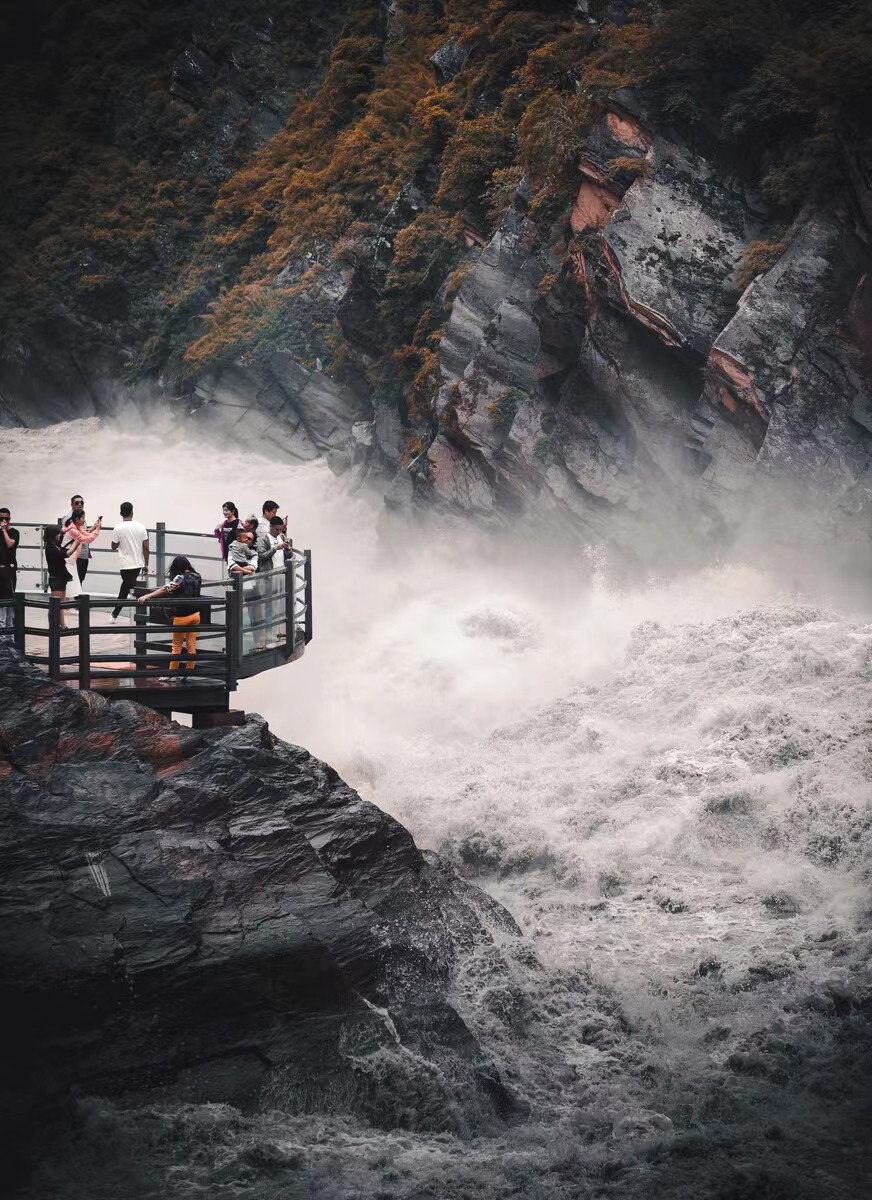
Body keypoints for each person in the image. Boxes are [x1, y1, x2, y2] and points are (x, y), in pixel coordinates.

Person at [137, 556, 202, 671]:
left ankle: (172, 673)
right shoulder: (197, 576)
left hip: (182, 617)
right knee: (191, 644)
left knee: (177, 646)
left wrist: (147, 596)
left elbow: (165, 589)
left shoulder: (180, 578)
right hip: (196, 614)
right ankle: (190, 670)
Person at [110, 502, 149, 620]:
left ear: (121, 513)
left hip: (124, 564)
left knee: (125, 588)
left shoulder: (117, 528)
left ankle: (115, 613)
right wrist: (146, 564)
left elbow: (113, 546)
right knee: (128, 586)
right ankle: (139, 603)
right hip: (137, 563)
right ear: (132, 512)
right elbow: (146, 547)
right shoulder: (141, 527)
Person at [44, 526, 82, 629]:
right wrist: (76, 543)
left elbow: (66, 551)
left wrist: (75, 543)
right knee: (55, 605)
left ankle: (62, 625)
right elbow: (67, 554)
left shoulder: (55, 546)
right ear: (53, 535)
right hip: (56, 578)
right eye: (58, 533)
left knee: (60, 604)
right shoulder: (50, 549)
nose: (60, 535)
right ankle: (54, 626)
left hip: (61, 577)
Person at [63, 508, 102, 585]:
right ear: (77, 519)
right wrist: (97, 529)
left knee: (78, 580)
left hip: (74, 558)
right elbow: (87, 539)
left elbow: (87, 534)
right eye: (83, 518)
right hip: (70, 559)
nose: (84, 520)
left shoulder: (77, 527)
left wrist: (94, 528)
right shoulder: (72, 530)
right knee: (74, 581)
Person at [62, 494, 94, 583]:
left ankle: (76, 596)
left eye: (81, 502)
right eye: (77, 503)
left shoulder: (81, 517)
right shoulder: (68, 519)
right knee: (74, 580)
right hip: (75, 554)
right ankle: (72, 596)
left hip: (83, 553)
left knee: (79, 579)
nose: (80, 504)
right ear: (72, 504)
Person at [0, 507, 20, 632]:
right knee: (1, 600)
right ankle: (2, 633)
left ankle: (9, 633)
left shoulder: (14, 532)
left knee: (9, 598)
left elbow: (10, 544)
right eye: (1, 518)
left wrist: (4, 530)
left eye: (6, 518)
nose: (4, 521)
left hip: (10, 569)